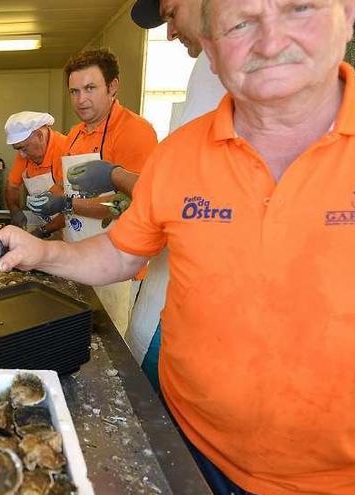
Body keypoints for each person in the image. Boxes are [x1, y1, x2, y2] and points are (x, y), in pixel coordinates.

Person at [0, 0, 355, 493]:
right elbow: (121, 252)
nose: (269, 40)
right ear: (212, 47)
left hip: (339, 479)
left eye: (299, 8)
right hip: (184, 446)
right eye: (240, 23)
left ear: (347, 12)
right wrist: (38, 249)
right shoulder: (179, 155)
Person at [127, 0, 227, 391]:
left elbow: (177, 193)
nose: (169, 32)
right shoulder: (207, 68)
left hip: (191, 311)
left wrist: (119, 180)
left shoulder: (218, 62)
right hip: (163, 285)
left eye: (171, 13)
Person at [28, 49, 158, 335]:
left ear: (113, 87)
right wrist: (46, 199)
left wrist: (67, 204)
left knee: (110, 345)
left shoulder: (134, 131)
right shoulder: (74, 134)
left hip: (118, 266)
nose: (81, 100)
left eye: (90, 88)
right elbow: (64, 184)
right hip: (77, 256)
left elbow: (133, 203)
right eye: (74, 91)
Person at [3, 111, 67, 238]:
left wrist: (41, 231)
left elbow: (76, 207)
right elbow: (12, 186)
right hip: (49, 227)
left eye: (24, 148)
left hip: (72, 228)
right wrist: (15, 210)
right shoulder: (25, 155)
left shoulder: (66, 150)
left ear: (39, 135)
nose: (21, 155)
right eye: (18, 149)